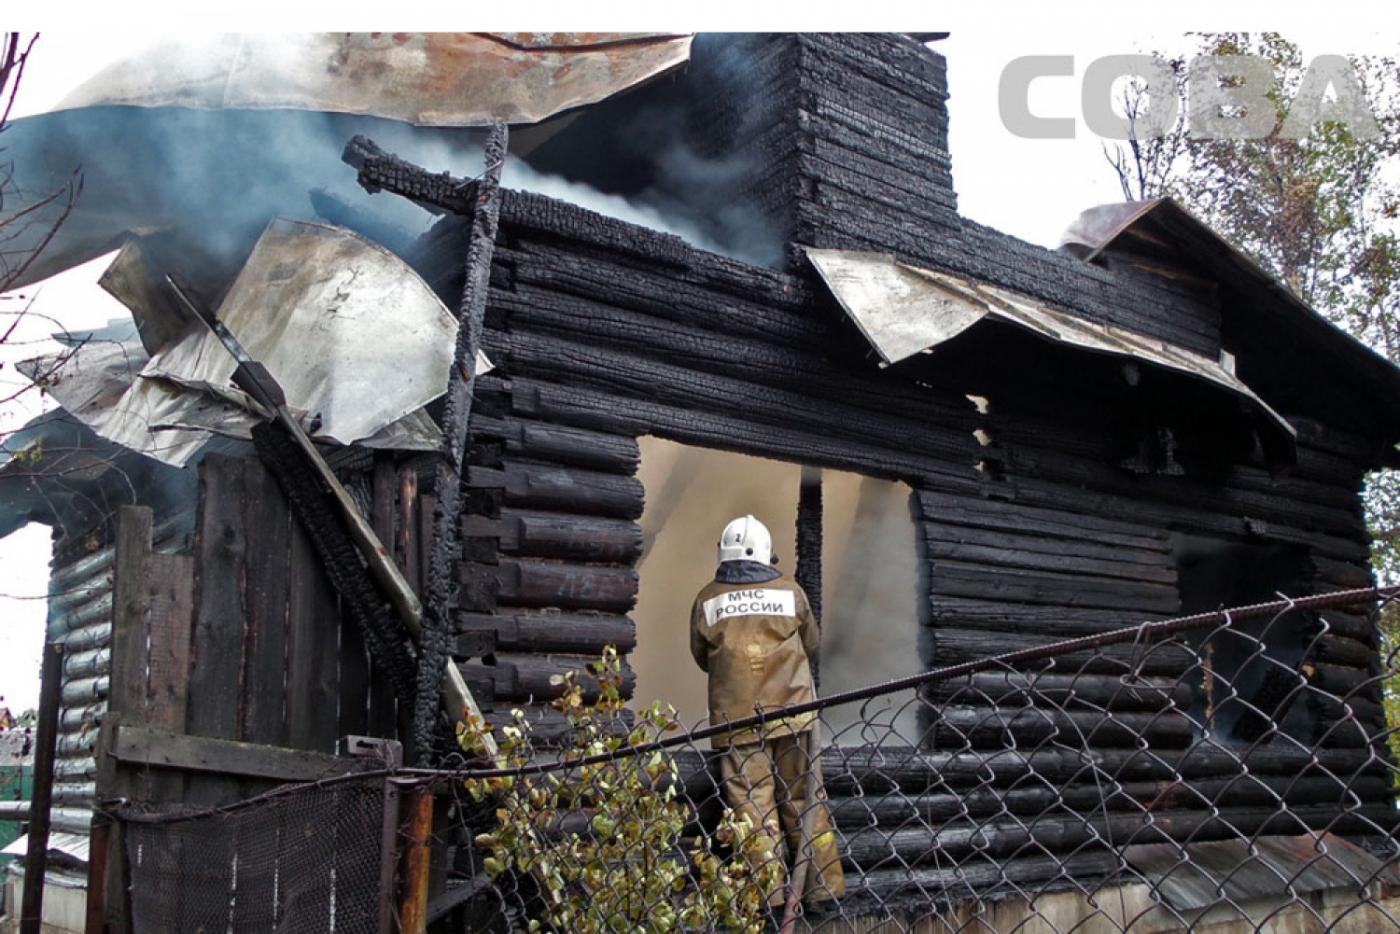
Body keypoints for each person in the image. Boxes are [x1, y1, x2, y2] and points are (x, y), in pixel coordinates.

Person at [689, 514, 846, 907]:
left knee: (752, 810)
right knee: (805, 801)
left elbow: (701, 656)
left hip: (737, 721)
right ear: (765, 553)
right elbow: (812, 643)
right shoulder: (791, 592)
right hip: (794, 714)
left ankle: (769, 897)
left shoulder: (707, 599)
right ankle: (823, 889)